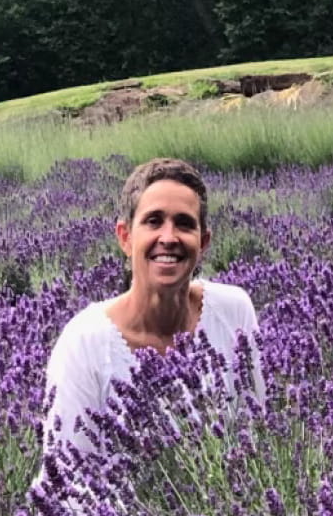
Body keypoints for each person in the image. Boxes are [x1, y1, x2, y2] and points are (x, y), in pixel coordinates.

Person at [32, 157, 265, 505]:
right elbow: (68, 487)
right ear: (125, 237)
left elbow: (257, 438)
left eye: (184, 224)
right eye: (153, 221)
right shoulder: (83, 344)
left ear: (203, 242)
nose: (168, 237)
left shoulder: (234, 312)